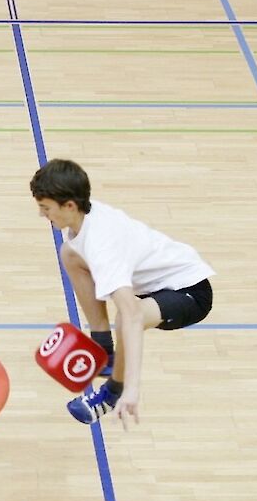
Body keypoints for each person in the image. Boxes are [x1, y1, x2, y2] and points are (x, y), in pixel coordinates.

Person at [28, 159, 215, 425]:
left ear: (69, 205)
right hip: (158, 282)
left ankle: (112, 393)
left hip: (189, 292)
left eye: (46, 208)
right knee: (70, 254)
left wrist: (132, 390)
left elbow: (134, 318)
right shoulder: (85, 218)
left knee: (127, 316)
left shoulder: (102, 247)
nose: (42, 215)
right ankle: (104, 350)